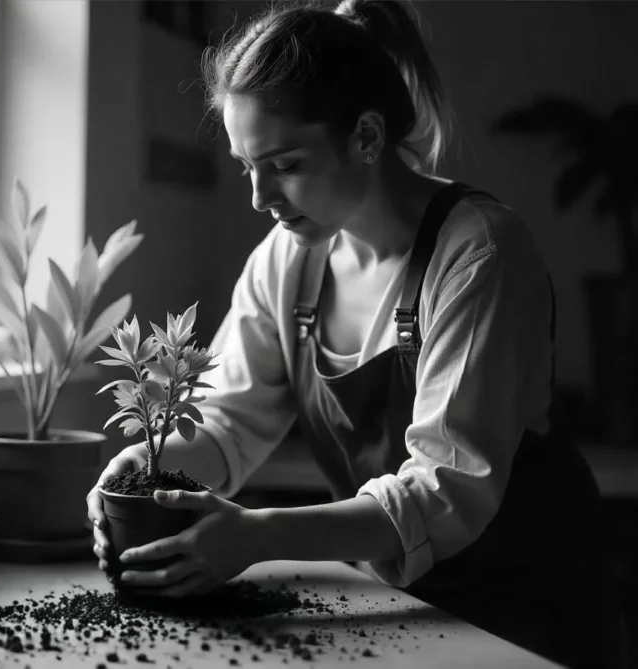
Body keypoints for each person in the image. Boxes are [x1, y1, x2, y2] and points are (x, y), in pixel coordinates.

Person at [87, 1, 616, 666]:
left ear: (366, 137)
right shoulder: (289, 260)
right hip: (397, 604)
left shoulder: (479, 253)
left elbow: (444, 490)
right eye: (247, 165)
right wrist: (146, 471)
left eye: (283, 163)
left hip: (523, 606)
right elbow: (227, 420)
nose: (259, 196)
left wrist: (255, 535)